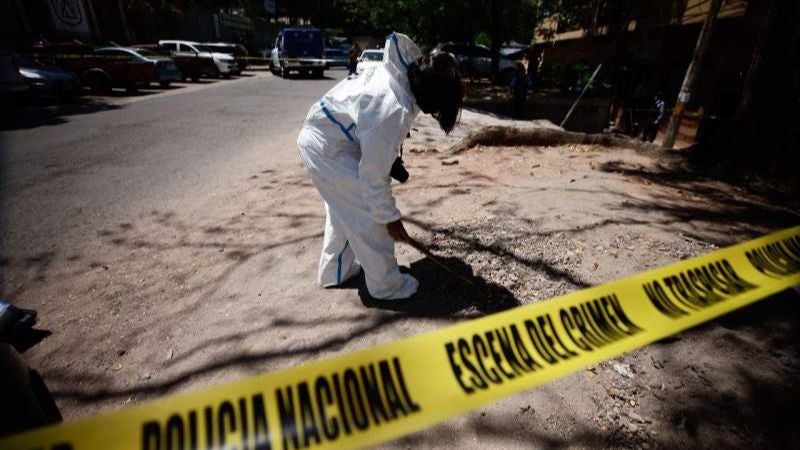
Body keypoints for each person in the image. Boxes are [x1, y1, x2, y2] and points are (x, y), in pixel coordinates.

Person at [297, 33, 463, 300]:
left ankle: (334, 272)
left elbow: (371, 141)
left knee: (343, 212)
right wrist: (389, 218)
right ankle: (387, 287)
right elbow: (373, 178)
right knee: (369, 220)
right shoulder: (391, 109)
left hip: (330, 138)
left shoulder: (398, 77)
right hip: (329, 150)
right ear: (432, 96)